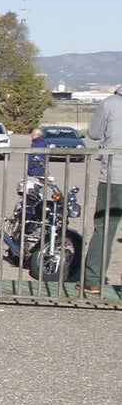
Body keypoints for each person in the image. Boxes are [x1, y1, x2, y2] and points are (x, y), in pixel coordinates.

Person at [83, 85, 122, 294]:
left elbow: (94, 132)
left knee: (104, 226)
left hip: (114, 175)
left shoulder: (110, 103)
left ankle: (93, 279)